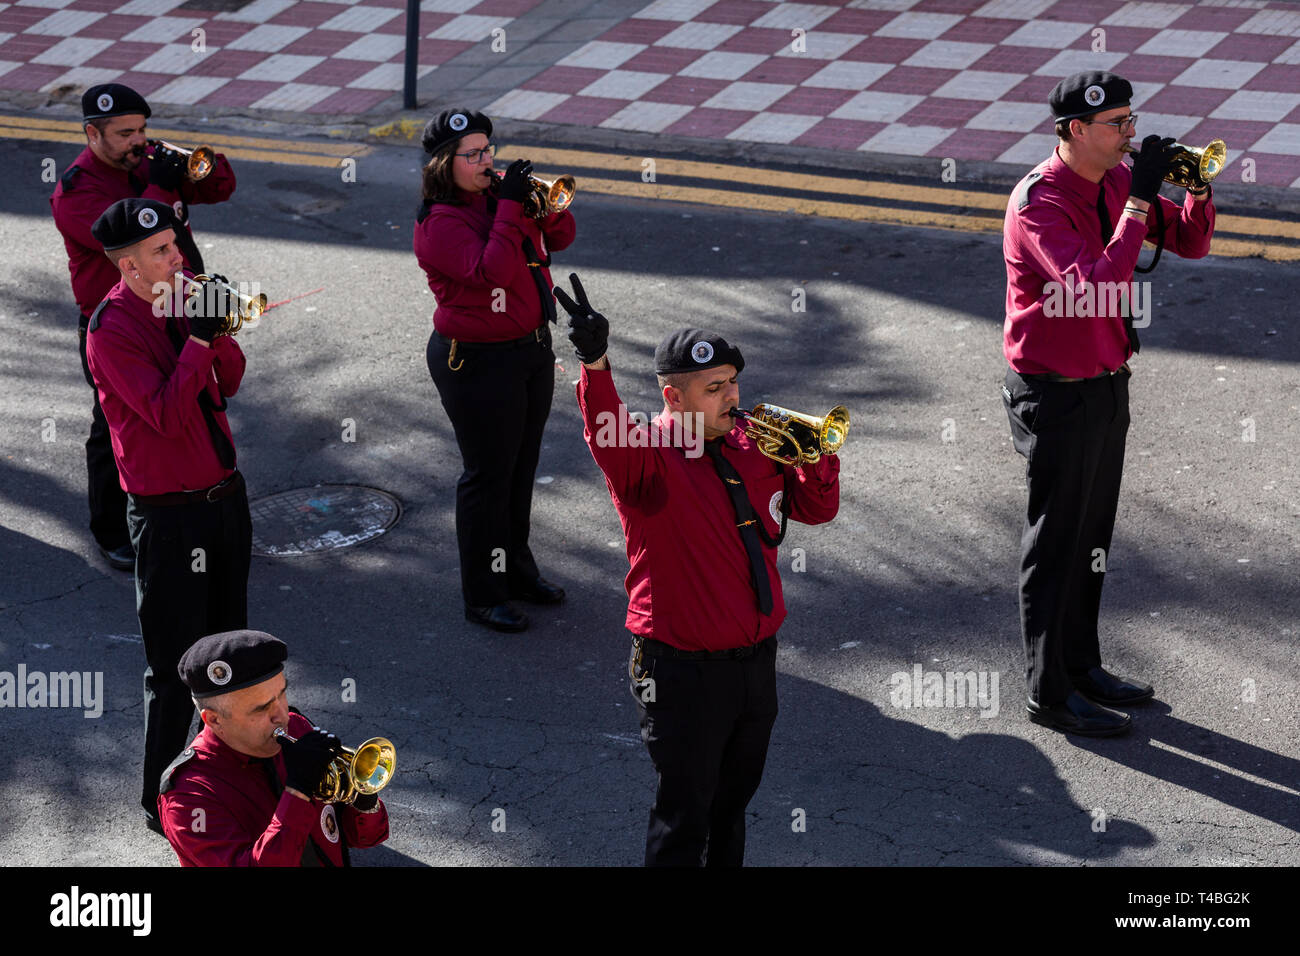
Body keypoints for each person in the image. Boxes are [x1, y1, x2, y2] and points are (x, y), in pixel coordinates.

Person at [559, 274, 841, 866]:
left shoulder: (754, 445)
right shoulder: (648, 457)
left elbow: (817, 510)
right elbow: (602, 432)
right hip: (681, 675)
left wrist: (815, 458)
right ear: (675, 398)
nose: (732, 397)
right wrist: (596, 362)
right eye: (715, 388)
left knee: (731, 810)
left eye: (734, 382)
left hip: (754, 666)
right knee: (685, 817)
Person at [1001, 71, 1215, 737]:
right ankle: (1048, 692)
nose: (1130, 134)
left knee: (1091, 538)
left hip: (1104, 381)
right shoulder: (1040, 202)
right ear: (1073, 131)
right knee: (1056, 542)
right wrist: (1142, 199)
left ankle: (1081, 665)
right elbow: (1093, 284)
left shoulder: (1117, 180)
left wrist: (1194, 188)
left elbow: (1191, 240)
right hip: (1054, 394)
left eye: (1130, 119)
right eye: (1116, 124)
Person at [85, 197, 252, 831]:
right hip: (169, 517)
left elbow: (229, 382)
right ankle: (161, 800)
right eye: (161, 253)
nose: (177, 258)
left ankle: (231, 779)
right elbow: (164, 414)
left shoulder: (183, 296)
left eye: (175, 246)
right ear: (128, 266)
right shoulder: (111, 329)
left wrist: (220, 327)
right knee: (174, 667)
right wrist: (200, 339)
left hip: (224, 502)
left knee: (231, 654)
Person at [51, 83, 236, 571]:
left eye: (142, 130)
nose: (140, 141)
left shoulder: (148, 161)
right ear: (93, 133)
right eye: (125, 133)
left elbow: (220, 189)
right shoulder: (75, 190)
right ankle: (113, 530)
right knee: (114, 425)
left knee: (195, 401)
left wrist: (202, 166)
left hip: (176, 303)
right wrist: (161, 187)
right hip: (115, 323)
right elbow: (131, 235)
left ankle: (200, 501)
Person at [413, 108, 576, 634]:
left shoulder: (497, 199)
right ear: (445, 163)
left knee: (521, 468)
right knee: (488, 476)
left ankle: (517, 571)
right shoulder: (439, 222)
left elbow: (564, 235)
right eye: (475, 154)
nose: (488, 161)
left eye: (489, 150)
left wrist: (539, 207)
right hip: (477, 361)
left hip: (528, 350)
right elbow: (492, 271)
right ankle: (483, 594)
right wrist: (509, 208)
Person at [159, 630, 390, 866]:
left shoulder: (297, 728)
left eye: (282, 694)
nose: (281, 716)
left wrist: (362, 797)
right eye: (261, 708)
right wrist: (298, 792)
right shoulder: (189, 796)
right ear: (214, 720)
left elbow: (359, 837)